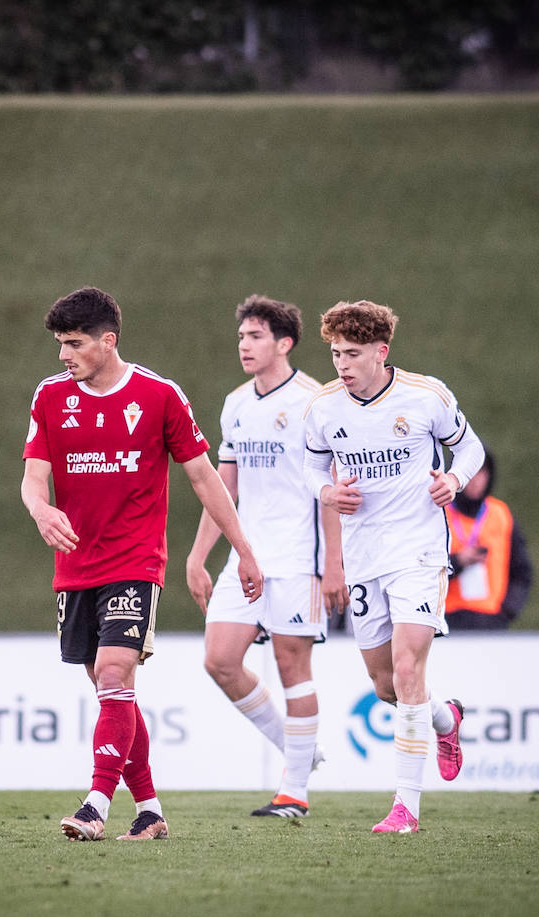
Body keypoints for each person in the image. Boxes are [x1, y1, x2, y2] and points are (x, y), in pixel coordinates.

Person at [22, 286, 264, 842]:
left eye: (75, 343)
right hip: (75, 566)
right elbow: (33, 479)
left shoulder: (159, 395)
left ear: (108, 341)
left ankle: (95, 804)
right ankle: (150, 810)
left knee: (112, 674)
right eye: (60, 344)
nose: (64, 355)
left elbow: (205, 478)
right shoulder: (50, 396)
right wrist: (40, 510)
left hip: (135, 561)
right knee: (114, 691)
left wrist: (244, 551)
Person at [302, 300, 481, 835]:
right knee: (387, 686)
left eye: (352, 354)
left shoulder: (427, 396)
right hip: (364, 556)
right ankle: (446, 717)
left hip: (418, 551)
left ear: (382, 352)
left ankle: (405, 808)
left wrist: (454, 481)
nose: (342, 364)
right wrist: (329, 491)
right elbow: (310, 469)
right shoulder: (324, 407)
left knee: (407, 671)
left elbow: (468, 449)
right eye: (335, 353)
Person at [185, 295, 343, 819]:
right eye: (241, 338)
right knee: (220, 660)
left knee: (291, 662)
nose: (244, 346)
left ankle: (293, 791)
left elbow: (332, 490)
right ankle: (302, 753)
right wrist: (198, 556)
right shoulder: (236, 404)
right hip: (247, 557)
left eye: (255, 337)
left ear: (284, 343)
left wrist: (333, 565)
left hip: (300, 557)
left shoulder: (314, 402)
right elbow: (220, 489)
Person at [444, 450, 533, 631]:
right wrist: (457, 562)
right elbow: (422, 570)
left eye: (483, 472)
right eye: (472, 473)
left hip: (492, 620)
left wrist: (507, 611)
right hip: (448, 618)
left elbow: (522, 571)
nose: (477, 480)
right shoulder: (439, 513)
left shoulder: (500, 514)